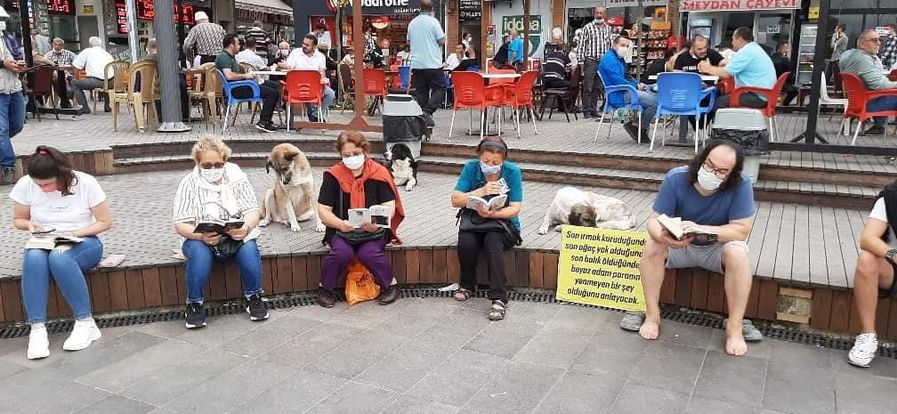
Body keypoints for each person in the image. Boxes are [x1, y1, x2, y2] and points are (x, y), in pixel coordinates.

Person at [627, 140, 756, 356]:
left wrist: (701, 228)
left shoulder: (741, 185)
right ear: (701, 160)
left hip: (717, 248)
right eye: (709, 165)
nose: (712, 173)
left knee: (739, 253)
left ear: (732, 174)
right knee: (652, 245)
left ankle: (734, 327)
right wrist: (664, 237)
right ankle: (652, 315)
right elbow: (653, 220)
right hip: (680, 247)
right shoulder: (676, 178)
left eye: (721, 171)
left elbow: (742, 230)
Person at [11, 146, 112, 359]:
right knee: (34, 257)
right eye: (39, 185)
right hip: (45, 239)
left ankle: (86, 322)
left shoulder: (84, 182)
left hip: (85, 241)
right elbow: (18, 219)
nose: (43, 189)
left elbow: (105, 222)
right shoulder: (26, 184)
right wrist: (29, 225)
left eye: (48, 184)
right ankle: (37, 329)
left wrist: (75, 233)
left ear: (62, 175)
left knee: (59, 257)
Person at [172, 136, 267, 329]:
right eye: (207, 165)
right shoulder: (188, 183)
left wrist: (246, 227)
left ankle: (254, 296)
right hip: (201, 238)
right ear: (197, 163)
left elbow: (252, 210)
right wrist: (200, 236)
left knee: (249, 248)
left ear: (225, 162)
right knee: (198, 254)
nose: (213, 169)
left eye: (218, 164)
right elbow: (180, 223)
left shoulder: (237, 177)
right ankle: (194, 304)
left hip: (234, 236)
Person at [316, 131, 404, 308]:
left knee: (368, 253)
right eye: (346, 155)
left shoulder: (379, 173)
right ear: (340, 155)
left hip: (373, 230)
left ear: (364, 150)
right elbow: (323, 210)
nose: (351, 158)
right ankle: (325, 289)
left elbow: (389, 206)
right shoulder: (333, 175)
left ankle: (391, 285)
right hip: (341, 230)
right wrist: (340, 224)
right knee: (342, 253)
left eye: (355, 154)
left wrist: (376, 222)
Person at [450, 137, 523, 321]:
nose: (491, 165)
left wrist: (492, 214)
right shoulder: (471, 168)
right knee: (466, 242)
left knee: (493, 241)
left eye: (496, 163)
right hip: (474, 221)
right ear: (479, 157)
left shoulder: (512, 172)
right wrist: (480, 192)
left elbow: (515, 207)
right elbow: (455, 199)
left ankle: (499, 297)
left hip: (502, 225)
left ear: (503, 161)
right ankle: (467, 285)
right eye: (486, 161)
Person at [847, 181, 897, 367]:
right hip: (893, 268)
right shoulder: (891, 196)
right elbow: (868, 239)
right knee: (867, 260)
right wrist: (894, 255)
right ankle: (868, 335)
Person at [698, 27, 776, 109]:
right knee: (721, 97)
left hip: (758, 96)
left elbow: (726, 73)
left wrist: (707, 68)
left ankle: (726, 122)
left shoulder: (746, 52)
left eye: (733, 40)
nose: (732, 43)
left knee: (718, 103)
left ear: (740, 40)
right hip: (765, 94)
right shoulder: (754, 48)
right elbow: (730, 70)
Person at [599, 35, 657, 143]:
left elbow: (627, 76)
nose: (625, 48)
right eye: (622, 45)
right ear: (614, 45)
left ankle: (637, 125)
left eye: (627, 46)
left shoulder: (618, 58)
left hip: (625, 90)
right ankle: (639, 127)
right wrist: (636, 87)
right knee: (654, 102)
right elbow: (618, 81)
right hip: (618, 95)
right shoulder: (610, 60)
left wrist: (639, 84)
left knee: (651, 91)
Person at [217, 34, 280, 132]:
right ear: (231, 45)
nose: (240, 46)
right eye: (237, 44)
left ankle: (267, 121)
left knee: (275, 87)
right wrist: (246, 76)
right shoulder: (224, 58)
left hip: (241, 85)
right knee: (272, 93)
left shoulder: (230, 57)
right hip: (237, 89)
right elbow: (229, 75)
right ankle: (263, 122)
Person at [840, 29, 897, 136]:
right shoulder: (864, 59)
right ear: (862, 44)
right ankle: (880, 126)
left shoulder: (850, 56)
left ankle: (879, 126)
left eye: (879, 40)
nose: (879, 43)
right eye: (874, 40)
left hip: (857, 102)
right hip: (868, 103)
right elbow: (879, 85)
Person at [407, 0, 445, 128]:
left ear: (420, 8)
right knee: (440, 89)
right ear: (431, 9)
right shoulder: (433, 22)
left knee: (421, 92)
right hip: (433, 63)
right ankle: (427, 112)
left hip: (417, 64)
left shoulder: (412, 23)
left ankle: (423, 124)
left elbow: (408, 41)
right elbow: (442, 40)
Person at [282, 34, 336, 123]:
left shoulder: (320, 57)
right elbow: (289, 66)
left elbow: (322, 72)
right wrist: (284, 66)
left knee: (330, 94)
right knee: (308, 93)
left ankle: (315, 115)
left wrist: (323, 78)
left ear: (314, 46)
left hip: (315, 87)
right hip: (297, 87)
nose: (304, 46)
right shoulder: (296, 53)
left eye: (307, 45)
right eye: (303, 43)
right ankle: (313, 115)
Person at [0, 6, 23, 185]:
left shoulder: (8, 38)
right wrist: (3, 64)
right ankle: (8, 165)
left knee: (17, 124)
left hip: (14, 86)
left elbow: (16, 55)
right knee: (2, 129)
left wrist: (19, 63)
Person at [142, 38, 191, 122]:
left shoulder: (143, 63)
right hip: (170, 89)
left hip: (150, 90)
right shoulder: (168, 59)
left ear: (148, 48)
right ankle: (184, 115)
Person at [578, 7, 615, 118]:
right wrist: (581, 63)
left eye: (601, 13)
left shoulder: (608, 28)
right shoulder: (587, 28)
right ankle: (586, 111)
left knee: (598, 87)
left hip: (603, 62)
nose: (599, 15)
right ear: (594, 14)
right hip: (591, 60)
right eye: (597, 12)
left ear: (605, 14)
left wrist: (610, 60)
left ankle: (593, 109)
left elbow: (610, 46)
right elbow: (581, 45)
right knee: (588, 86)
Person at [71, 36, 114, 115]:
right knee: (105, 81)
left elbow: (76, 66)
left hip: (95, 81)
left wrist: (76, 78)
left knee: (74, 83)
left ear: (89, 44)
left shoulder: (87, 51)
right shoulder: (106, 53)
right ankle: (107, 106)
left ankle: (85, 107)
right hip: (112, 82)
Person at [770, 41, 797, 106]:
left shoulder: (770, 58)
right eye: (786, 48)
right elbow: (790, 72)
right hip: (781, 84)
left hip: (770, 82)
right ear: (780, 48)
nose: (787, 50)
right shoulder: (785, 59)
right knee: (794, 91)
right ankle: (785, 105)